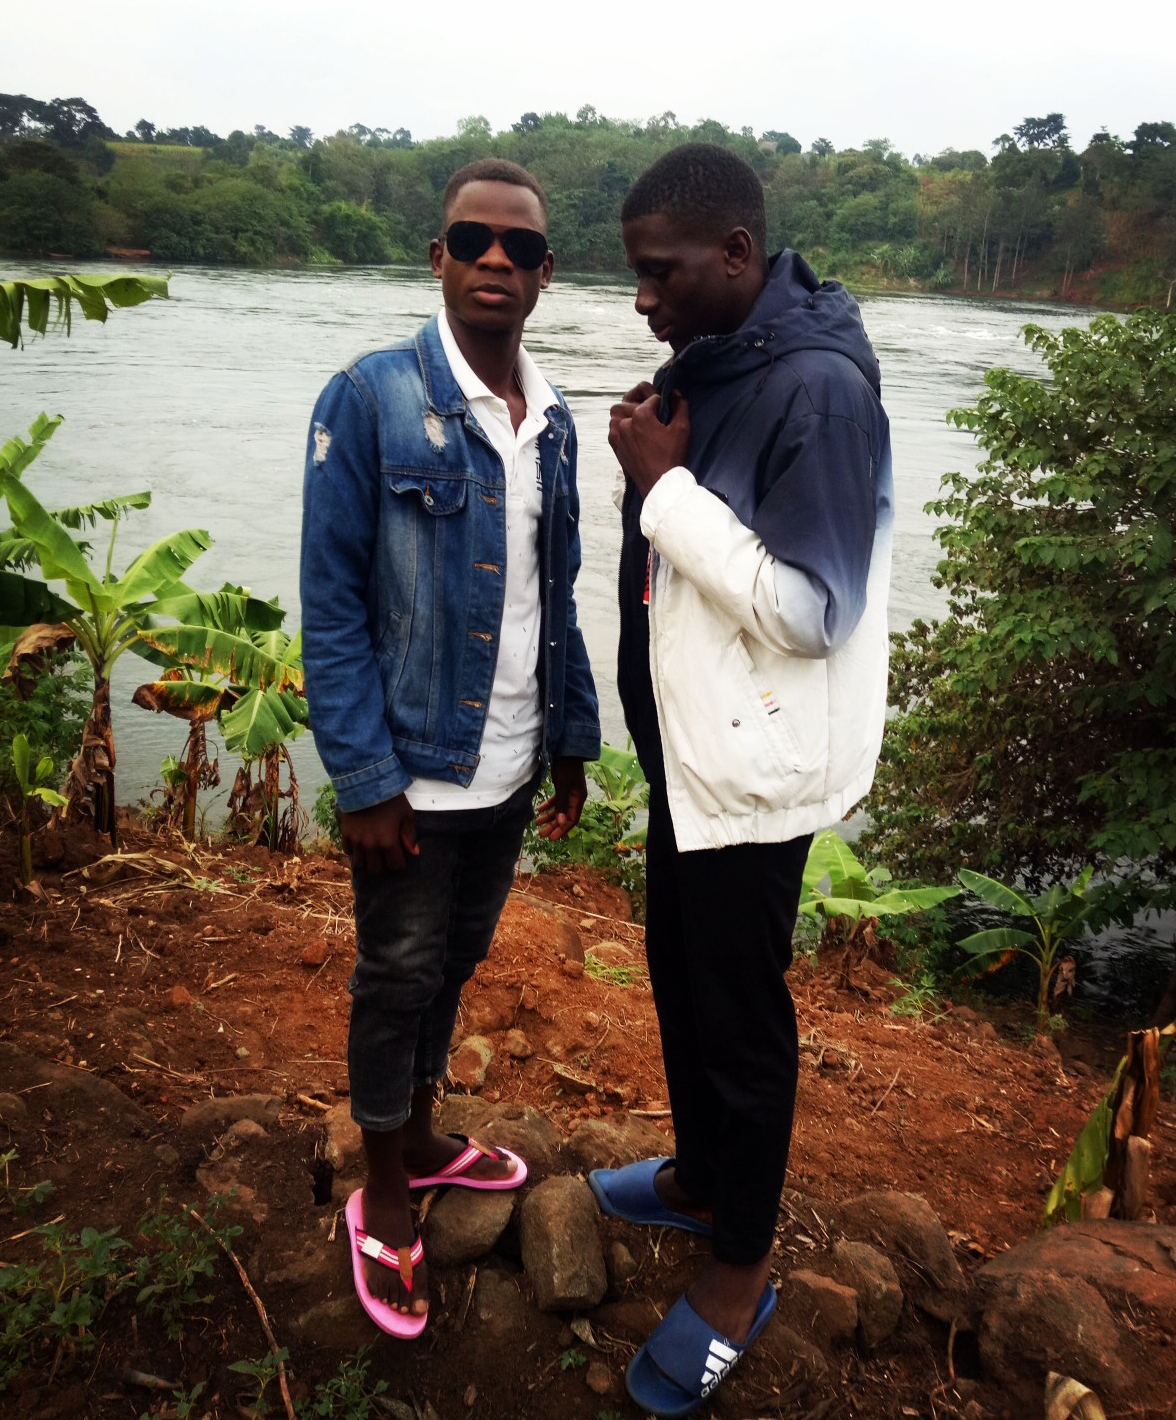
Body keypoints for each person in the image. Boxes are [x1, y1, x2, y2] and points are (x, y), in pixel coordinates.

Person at [590, 143, 892, 1415]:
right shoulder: (722, 360)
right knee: (680, 967)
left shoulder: (817, 390)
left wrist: (662, 488)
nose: (642, 298)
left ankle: (739, 1267)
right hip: (695, 755)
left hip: (757, 769)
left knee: (740, 1013)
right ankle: (705, 1178)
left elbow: (816, 611)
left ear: (734, 254)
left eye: (661, 273)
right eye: (635, 274)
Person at [300, 158, 600, 1338]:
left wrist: (569, 740)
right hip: (412, 773)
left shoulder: (553, 421)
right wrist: (365, 778)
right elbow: (331, 603)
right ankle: (382, 1184)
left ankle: (422, 1133)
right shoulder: (369, 399)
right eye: (473, 240)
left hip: (509, 764)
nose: (494, 261)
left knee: (455, 960)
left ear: (544, 273)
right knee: (396, 973)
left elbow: (553, 597)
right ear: (439, 257)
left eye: (518, 248)